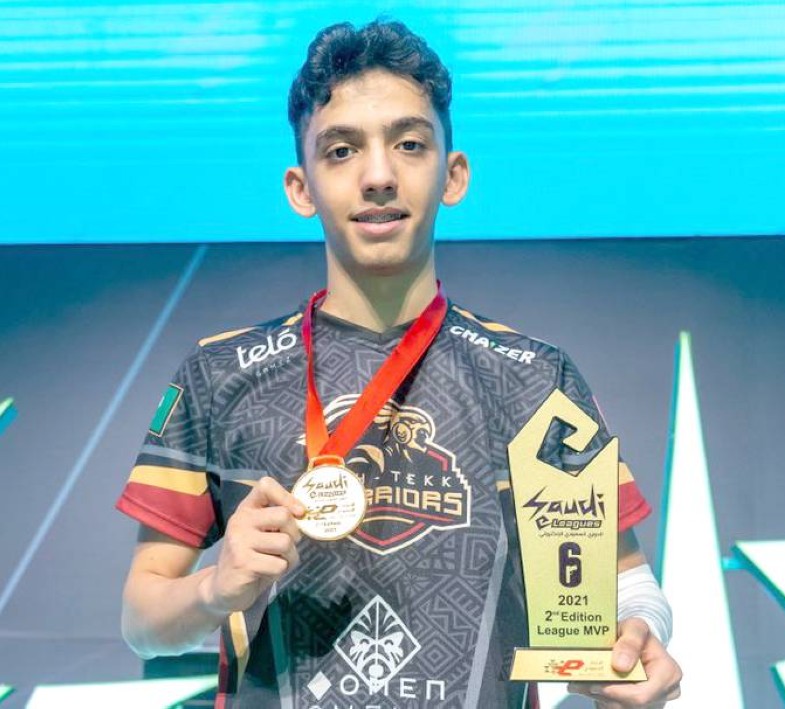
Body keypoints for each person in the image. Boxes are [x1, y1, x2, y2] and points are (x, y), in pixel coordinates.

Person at [117, 19, 682, 708]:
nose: (379, 176)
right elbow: (142, 621)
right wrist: (213, 587)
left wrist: (637, 636)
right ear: (301, 188)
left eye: (409, 144)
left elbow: (624, 585)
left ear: (453, 175)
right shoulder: (220, 375)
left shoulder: (535, 379)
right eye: (342, 150)